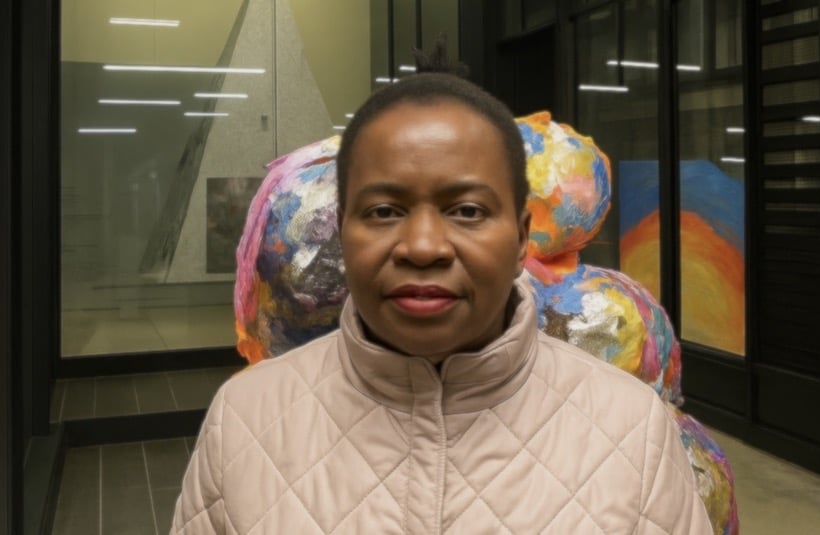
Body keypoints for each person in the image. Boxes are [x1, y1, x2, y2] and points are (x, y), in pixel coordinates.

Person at [171, 63, 713, 534]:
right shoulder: (244, 421)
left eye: (468, 211)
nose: (424, 247)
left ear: (521, 238)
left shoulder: (632, 431)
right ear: (341, 233)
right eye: (384, 211)